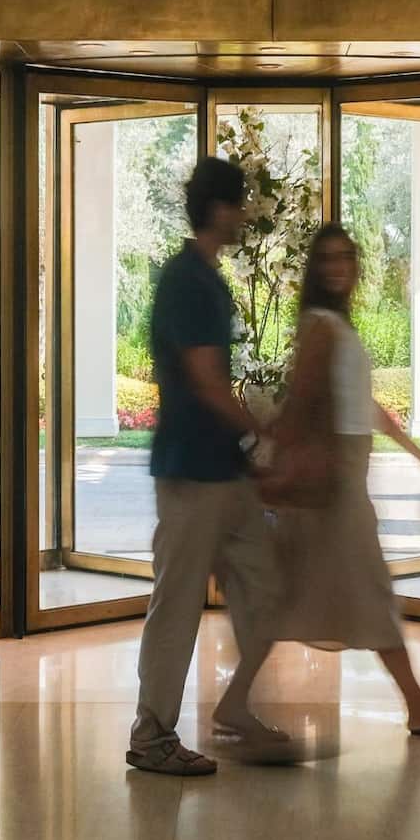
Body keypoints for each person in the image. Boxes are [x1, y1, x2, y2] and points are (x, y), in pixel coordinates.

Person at [247, 223, 420, 736]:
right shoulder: (321, 327)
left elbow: (370, 409)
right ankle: (418, 705)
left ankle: (232, 702)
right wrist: (271, 462)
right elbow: (302, 403)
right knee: (369, 592)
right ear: (316, 268)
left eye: (347, 257)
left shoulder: (336, 326)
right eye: (328, 258)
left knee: (297, 595)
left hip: (344, 477)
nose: (339, 267)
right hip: (334, 483)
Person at [127, 155, 284, 776]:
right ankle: (151, 734)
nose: (246, 214)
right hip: (192, 472)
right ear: (219, 208)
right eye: (239, 203)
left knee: (266, 585)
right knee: (178, 600)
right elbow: (207, 383)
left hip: (222, 472)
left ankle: (238, 705)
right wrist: (261, 428)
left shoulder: (204, 279)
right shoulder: (188, 281)